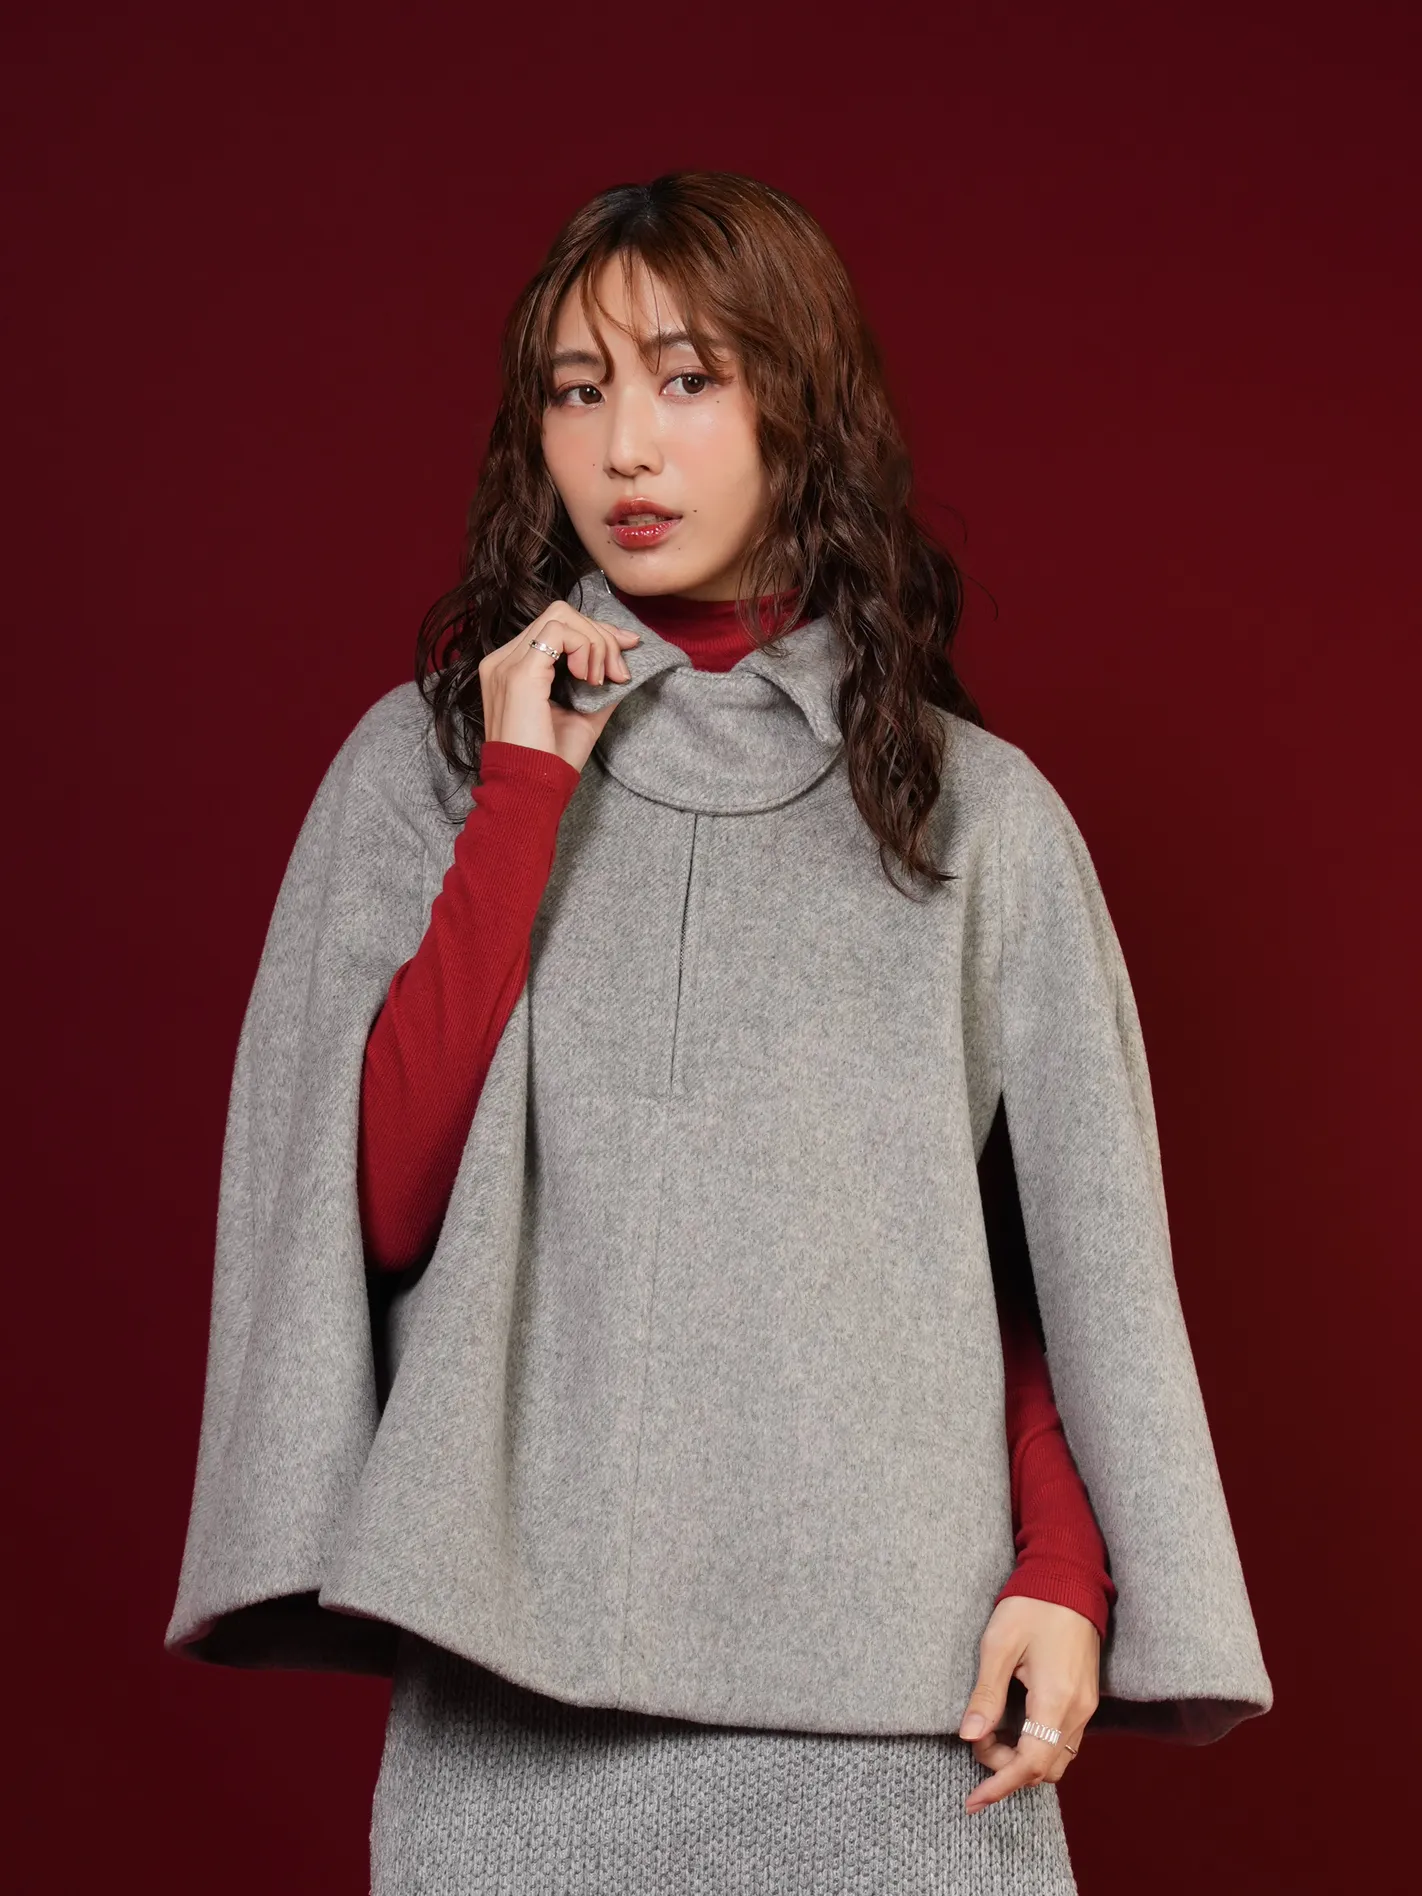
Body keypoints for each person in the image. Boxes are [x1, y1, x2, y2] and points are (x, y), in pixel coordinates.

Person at [164, 173, 1271, 1894]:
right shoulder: (424, 770)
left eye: (687, 379)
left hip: (900, 1698)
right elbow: (375, 1214)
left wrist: (1062, 1569)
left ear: (800, 407)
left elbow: (1046, 1277)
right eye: (577, 389)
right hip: (511, 1689)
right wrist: (522, 794)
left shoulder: (979, 820)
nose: (625, 447)